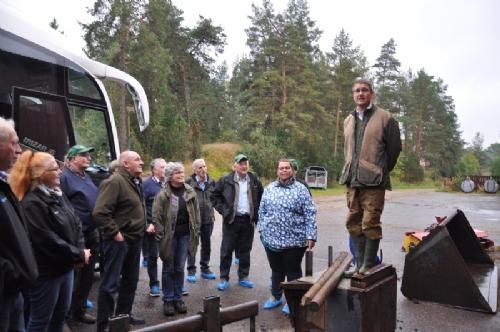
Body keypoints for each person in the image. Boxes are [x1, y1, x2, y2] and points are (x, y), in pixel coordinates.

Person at [9, 151, 90, 332]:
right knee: (40, 320)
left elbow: (76, 222)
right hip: (47, 273)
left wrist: (81, 249)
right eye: (55, 168)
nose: (61, 171)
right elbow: (46, 240)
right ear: (41, 174)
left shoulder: (57, 194)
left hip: (66, 268)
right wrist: (78, 253)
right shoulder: (31, 203)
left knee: (60, 316)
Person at [339, 78, 401, 275]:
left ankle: (368, 265)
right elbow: (346, 150)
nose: (360, 94)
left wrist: (380, 170)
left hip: (374, 182)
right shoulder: (347, 120)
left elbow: (395, 149)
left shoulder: (385, 118)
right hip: (352, 180)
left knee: (370, 224)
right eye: (357, 90)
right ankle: (358, 264)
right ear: (353, 94)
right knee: (353, 222)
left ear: (371, 93)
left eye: (364, 90)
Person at [92, 151, 146, 331]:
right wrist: (116, 234)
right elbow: (100, 212)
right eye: (137, 159)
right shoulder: (114, 181)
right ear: (125, 163)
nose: (142, 162)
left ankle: (123, 319)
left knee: (130, 282)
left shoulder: (134, 181)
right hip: (118, 242)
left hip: (135, 240)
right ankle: (104, 326)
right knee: (110, 284)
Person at [258, 159, 317, 313]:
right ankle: (276, 297)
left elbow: (310, 213)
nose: (284, 170)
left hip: (295, 241)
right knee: (276, 270)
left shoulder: (301, 189)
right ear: (277, 171)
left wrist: (311, 235)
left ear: (292, 170)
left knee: (293, 270)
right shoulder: (269, 188)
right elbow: (262, 211)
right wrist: (262, 230)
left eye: (287, 168)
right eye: (281, 168)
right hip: (272, 240)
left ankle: (293, 300)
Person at [0, 117, 38, 332]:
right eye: (13, 143)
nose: (19, 150)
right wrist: (12, 273)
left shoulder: (4, 183)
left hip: (14, 291)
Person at [152, 162, 200, 316]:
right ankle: (168, 299)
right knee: (168, 268)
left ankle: (178, 298)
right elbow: (156, 217)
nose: (181, 174)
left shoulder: (189, 191)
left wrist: (196, 230)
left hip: (184, 235)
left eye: (182, 171)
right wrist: (161, 236)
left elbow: (196, 213)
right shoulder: (163, 194)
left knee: (179, 267)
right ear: (170, 176)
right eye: (178, 172)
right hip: (169, 238)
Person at [211, 154, 263, 291]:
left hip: (248, 220)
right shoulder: (225, 180)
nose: (244, 166)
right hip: (231, 220)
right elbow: (214, 196)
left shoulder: (254, 180)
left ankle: (244, 277)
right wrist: (224, 210)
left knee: (245, 250)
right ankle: (223, 278)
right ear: (234, 166)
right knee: (226, 250)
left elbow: (261, 197)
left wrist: (257, 214)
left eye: (246, 163)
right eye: (241, 164)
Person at [60, 145, 99, 324]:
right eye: (83, 155)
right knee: (75, 276)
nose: (88, 158)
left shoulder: (85, 175)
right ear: (73, 158)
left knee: (88, 274)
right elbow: (62, 205)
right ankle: (65, 316)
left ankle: (79, 310)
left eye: (88, 155)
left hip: (92, 232)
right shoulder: (64, 177)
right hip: (76, 235)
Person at [186, 159, 217, 282]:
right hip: (193, 221)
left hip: (208, 219)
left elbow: (216, 197)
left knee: (206, 245)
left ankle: (205, 269)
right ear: (195, 170)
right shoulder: (188, 183)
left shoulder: (212, 182)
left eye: (204, 166)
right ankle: (191, 270)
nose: (203, 169)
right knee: (192, 245)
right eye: (199, 168)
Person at [142, 158, 167, 297]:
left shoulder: (169, 184)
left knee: (169, 257)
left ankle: (170, 284)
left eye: (166, 166)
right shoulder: (146, 185)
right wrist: (147, 224)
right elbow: (142, 206)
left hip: (168, 228)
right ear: (154, 170)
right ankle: (154, 285)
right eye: (162, 167)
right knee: (152, 257)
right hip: (153, 228)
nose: (165, 169)